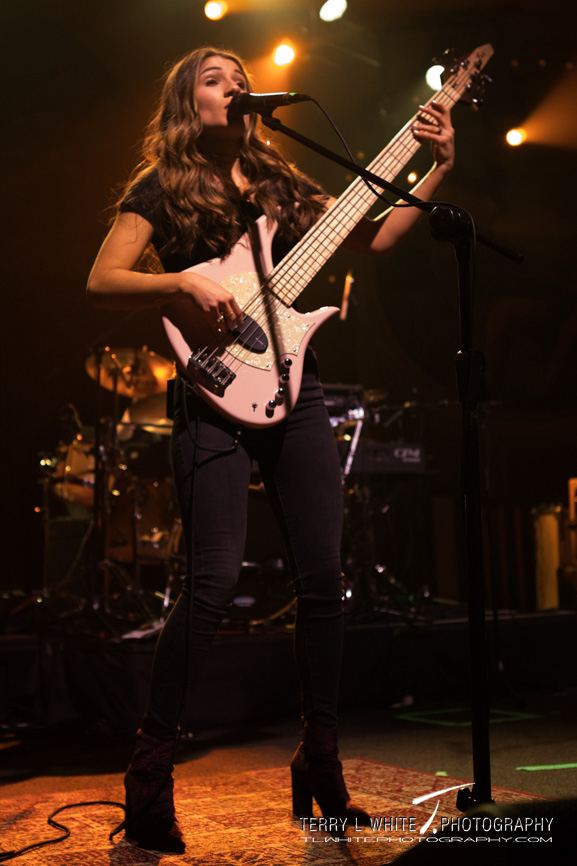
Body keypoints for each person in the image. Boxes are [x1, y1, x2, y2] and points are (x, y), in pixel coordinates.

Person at [87, 45, 455, 853]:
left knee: (324, 579)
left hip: (294, 386)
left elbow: (376, 237)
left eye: (240, 77)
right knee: (210, 581)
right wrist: (180, 282)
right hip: (210, 392)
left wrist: (431, 168)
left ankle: (318, 765)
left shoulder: (283, 183)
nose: (235, 85)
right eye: (215, 79)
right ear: (188, 101)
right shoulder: (162, 188)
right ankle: (149, 773)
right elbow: (102, 278)